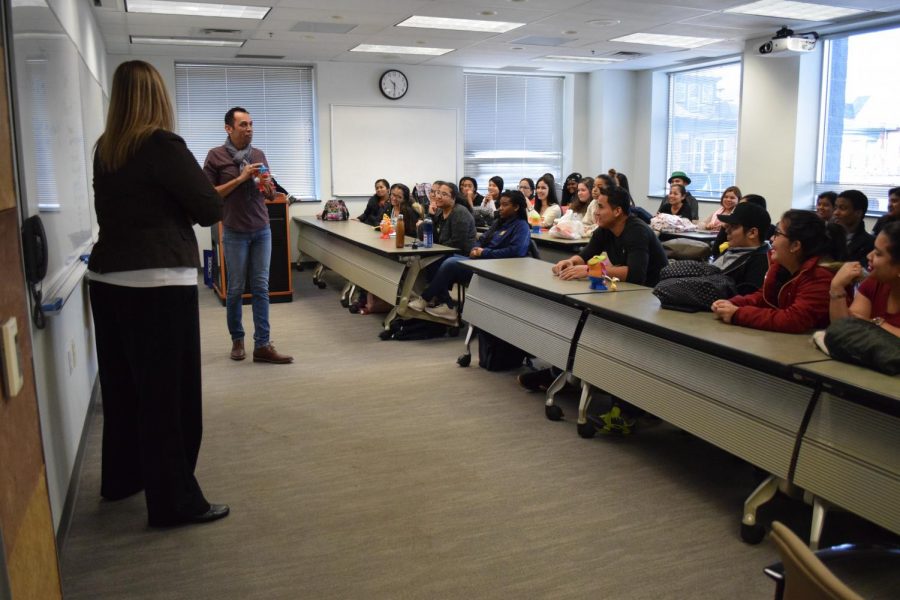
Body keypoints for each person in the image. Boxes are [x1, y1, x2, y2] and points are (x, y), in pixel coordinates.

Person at [88, 60, 228, 527]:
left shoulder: (105, 148)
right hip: (158, 284)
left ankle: (123, 479)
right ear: (157, 97)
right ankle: (174, 503)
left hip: (107, 280)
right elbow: (208, 207)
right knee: (170, 400)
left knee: (124, 391)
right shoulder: (163, 144)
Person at [204, 107, 293, 364]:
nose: (249, 128)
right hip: (233, 231)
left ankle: (263, 345)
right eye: (243, 124)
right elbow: (209, 194)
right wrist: (241, 178)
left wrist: (267, 188)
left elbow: (269, 192)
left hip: (261, 229)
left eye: (251, 124)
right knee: (235, 290)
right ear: (228, 128)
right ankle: (237, 340)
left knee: (261, 288)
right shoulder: (216, 156)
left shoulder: (258, 154)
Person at [712, 210, 844, 333]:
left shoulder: (820, 277)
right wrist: (732, 303)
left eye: (777, 234)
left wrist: (737, 314)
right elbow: (763, 297)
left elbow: (794, 319)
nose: (772, 239)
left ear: (795, 246)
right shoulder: (782, 268)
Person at [409, 190, 531, 320]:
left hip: (498, 267)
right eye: (500, 204)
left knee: (450, 263)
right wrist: (475, 249)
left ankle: (425, 298)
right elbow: (482, 239)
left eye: (505, 205)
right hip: (481, 261)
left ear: (516, 207)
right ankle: (447, 304)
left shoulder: (521, 226)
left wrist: (484, 252)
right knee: (437, 258)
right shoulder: (499, 222)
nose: (500, 208)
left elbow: (516, 251)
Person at [553, 185, 669, 286]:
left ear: (617, 211)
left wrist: (590, 270)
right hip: (630, 290)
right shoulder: (605, 228)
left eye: (601, 207)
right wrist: (571, 262)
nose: (596, 212)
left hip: (653, 293)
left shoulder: (637, 231)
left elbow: (636, 275)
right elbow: (586, 255)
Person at [829, 221, 900, 335]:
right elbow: (845, 331)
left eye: (878, 253)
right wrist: (837, 287)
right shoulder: (874, 282)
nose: (869, 256)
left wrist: (877, 323)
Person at [712, 202, 771, 294]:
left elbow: (746, 295)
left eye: (734, 227)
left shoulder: (760, 262)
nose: (726, 230)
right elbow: (714, 252)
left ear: (752, 233)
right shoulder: (735, 249)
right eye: (728, 226)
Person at [833, 189, 874, 266]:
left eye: (842, 208)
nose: (836, 213)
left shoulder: (870, 243)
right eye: (835, 208)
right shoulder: (827, 235)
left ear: (858, 213)